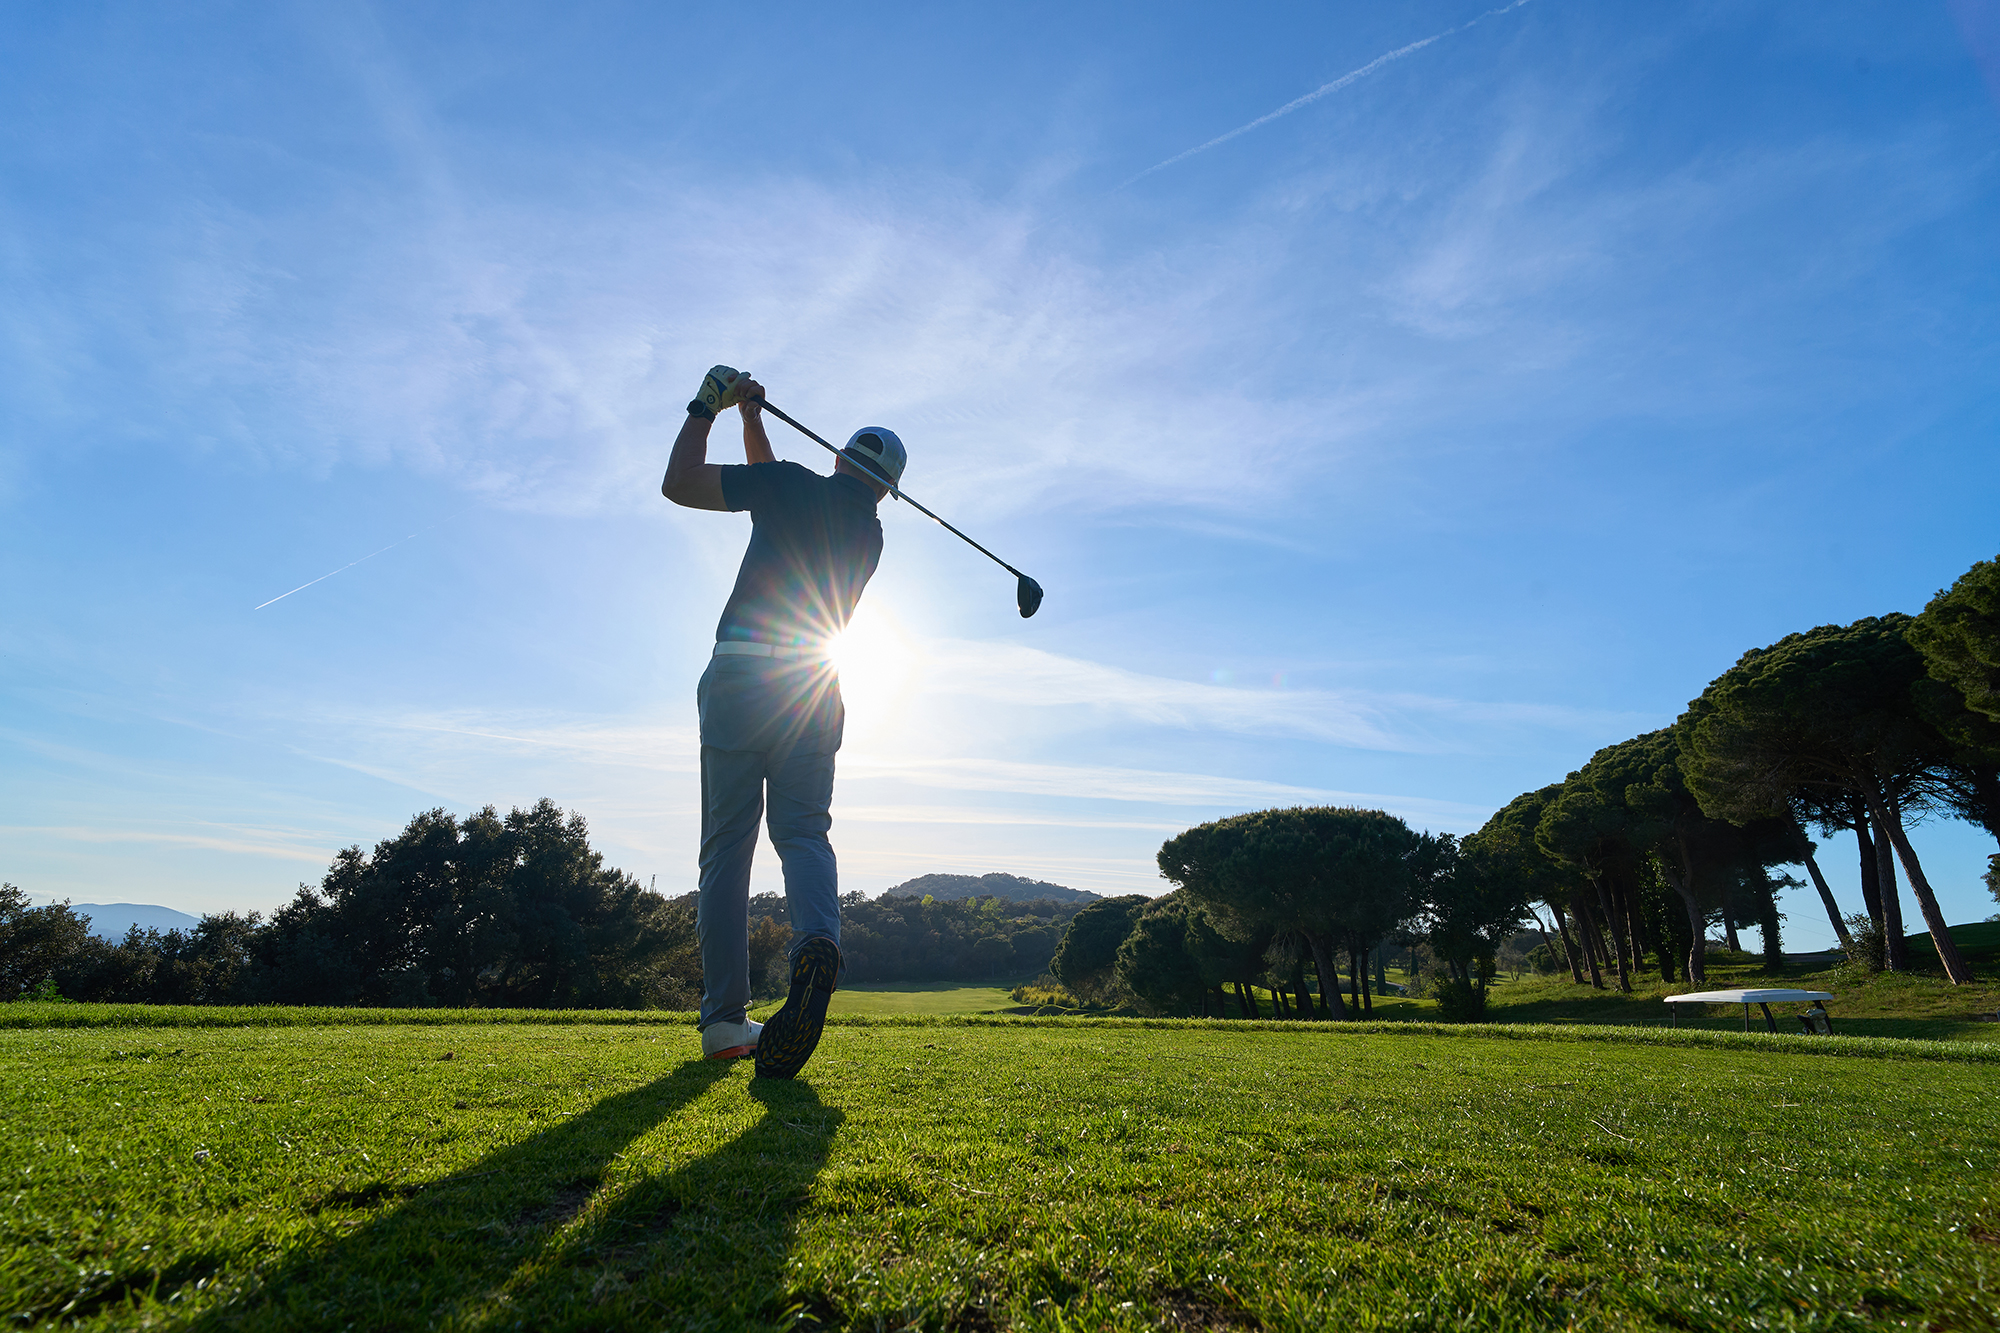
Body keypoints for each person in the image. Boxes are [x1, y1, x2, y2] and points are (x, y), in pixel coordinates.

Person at [661, 365, 906, 1079]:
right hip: (813, 687)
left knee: (726, 852)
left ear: (839, 457)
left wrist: (708, 406)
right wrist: (752, 422)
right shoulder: (869, 536)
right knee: (802, 834)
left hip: (741, 679)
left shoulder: (792, 486)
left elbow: (680, 483)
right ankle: (816, 943)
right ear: (886, 490)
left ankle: (724, 1021)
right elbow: (776, 488)